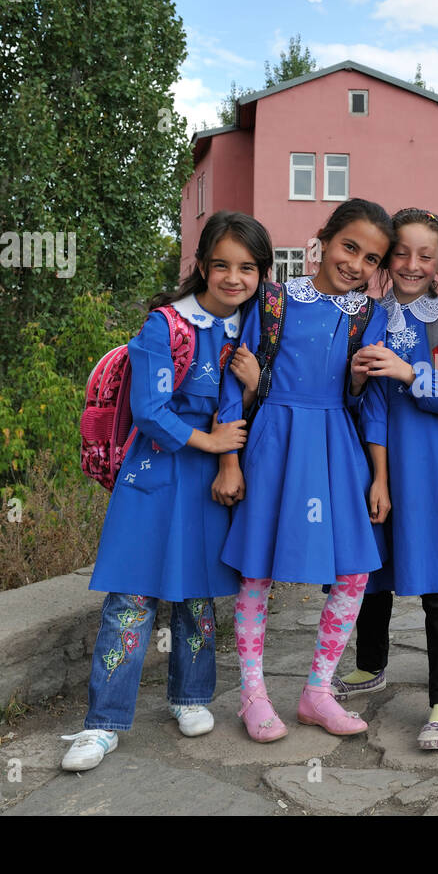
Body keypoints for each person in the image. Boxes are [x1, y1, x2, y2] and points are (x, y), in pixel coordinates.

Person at [61, 210, 261, 772]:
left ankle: (191, 696)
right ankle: (102, 724)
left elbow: (234, 403)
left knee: (196, 596)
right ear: (201, 266)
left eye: (246, 267)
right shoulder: (164, 326)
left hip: (206, 476)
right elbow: (150, 412)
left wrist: (247, 398)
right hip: (152, 472)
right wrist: (214, 442)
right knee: (132, 598)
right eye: (220, 264)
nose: (232, 277)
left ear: (260, 272)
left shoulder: (249, 329)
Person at [216, 199, 394, 739]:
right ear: (323, 238)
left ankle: (318, 690)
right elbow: (233, 378)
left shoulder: (370, 313)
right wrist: (228, 459)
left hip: (338, 444)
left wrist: (380, 475)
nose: (357, 264)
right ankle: (252, 694)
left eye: (371, 258)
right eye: (349, 247)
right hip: (274, 438)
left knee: (355, 571)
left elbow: (374, 399)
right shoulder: (271, 301)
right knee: (257, 568)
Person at [332, 208, 438, 749]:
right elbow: (364, 401)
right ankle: (370, 664)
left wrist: (410, 372)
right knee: (372, 571)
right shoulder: (366, 316)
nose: (410, 264)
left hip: (436, 465)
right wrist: (358, 385)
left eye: (425, 255)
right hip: (377, 460)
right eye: (400, 253)